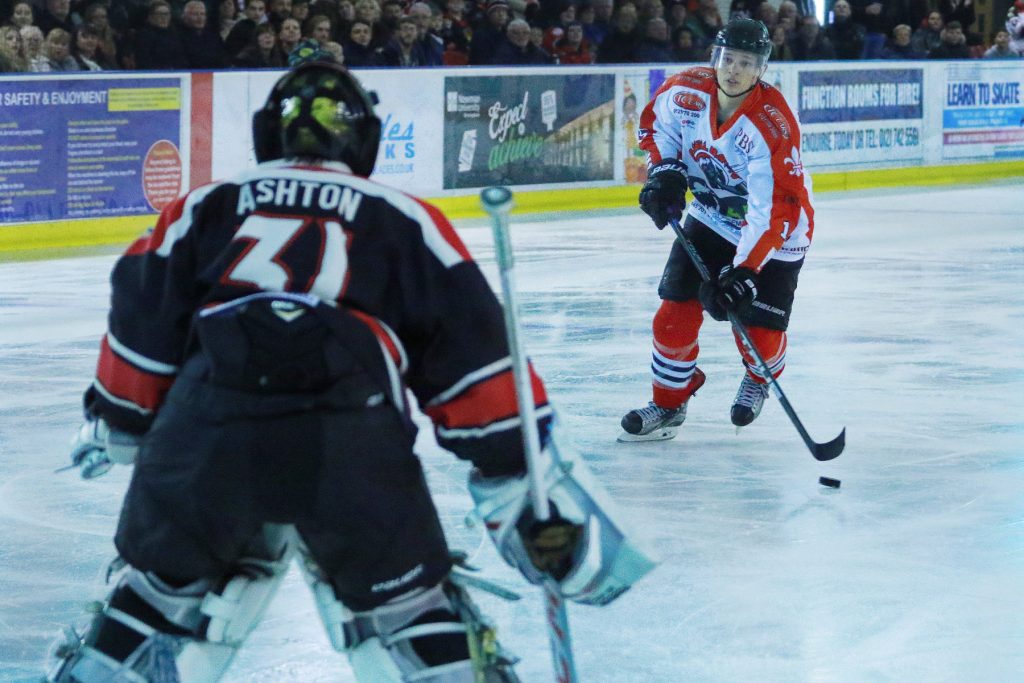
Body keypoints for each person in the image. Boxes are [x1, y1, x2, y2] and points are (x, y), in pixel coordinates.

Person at [45, 61, 655, 683]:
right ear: (365, 139)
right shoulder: (403, 216)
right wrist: (518, 471)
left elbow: (141, 329)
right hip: (350, 443)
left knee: (151, 606)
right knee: (412, 618)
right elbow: (474, 356)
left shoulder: (206, 203)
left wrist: (119, 421)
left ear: (266, 134)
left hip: (203, 432)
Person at [620, 18, 814, 441]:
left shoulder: (771, 124)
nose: (734, 70)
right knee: (672, 317)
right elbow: (657, 128)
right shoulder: (684, 89)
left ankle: (759, 376)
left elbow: (775, 208)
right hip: (710, 218)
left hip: (774, 238)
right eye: (728, 59)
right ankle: (670, 402)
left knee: (757, 333)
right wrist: (665, 172)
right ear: (715, 57)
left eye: (747, 62)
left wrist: (743, 272)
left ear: (761, 69)